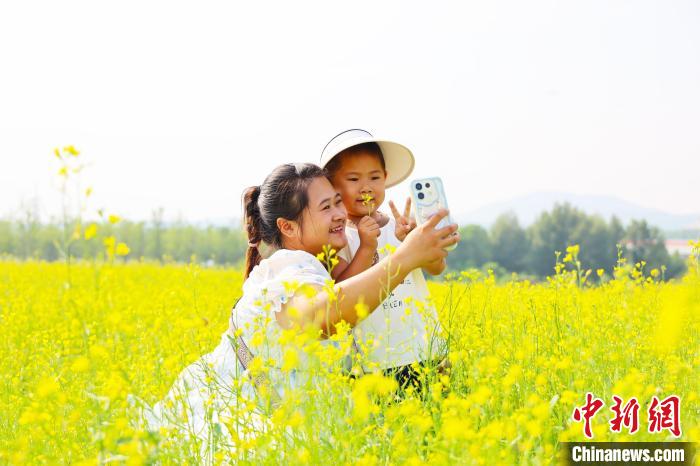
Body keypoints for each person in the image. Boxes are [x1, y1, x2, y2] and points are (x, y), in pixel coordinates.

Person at [131, 162, 459, 457]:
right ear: (287, 227)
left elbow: (352, 296)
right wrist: (404, 258)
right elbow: (321, 317)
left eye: (336, 202)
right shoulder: (289, 267)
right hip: (229, 429)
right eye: (325, 207)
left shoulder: (317, 270)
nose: (340, 214)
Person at [320, 129, 452, 384]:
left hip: (424, 351)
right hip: (371, 365)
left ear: (386, 179)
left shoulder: (400, 227)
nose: (366, 187)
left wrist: (415, 243)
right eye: (353, 179)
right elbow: (343, 291)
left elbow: (437, 268)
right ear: (333, 185)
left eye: (374, 177)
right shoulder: (335, 238)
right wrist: (366, 247)